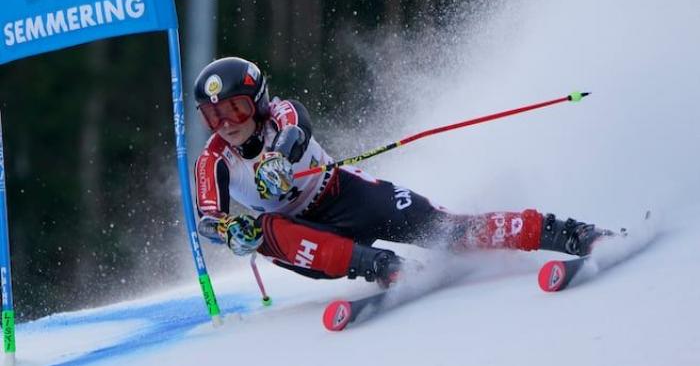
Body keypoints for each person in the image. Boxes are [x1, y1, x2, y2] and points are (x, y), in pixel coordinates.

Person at [192, 57, 609, 286]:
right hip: (305, 240)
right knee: (265, 229)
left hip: (344, 195)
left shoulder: (279, 114)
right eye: (213, 116)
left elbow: (296, 126)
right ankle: (382, 266)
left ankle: (565, 232)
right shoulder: (212, 161)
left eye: (236, 108)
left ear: (258, 103)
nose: (227, 123)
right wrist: (231, 231)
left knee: (446, 229)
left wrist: (278, 158)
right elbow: (209, 221)